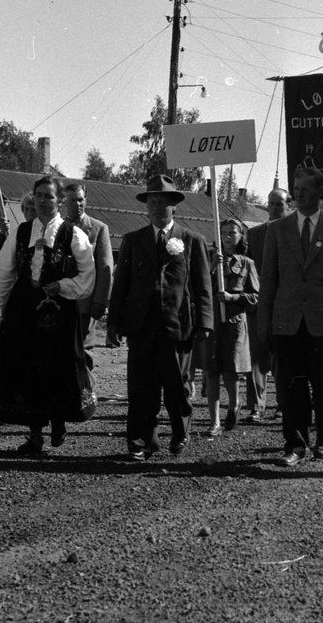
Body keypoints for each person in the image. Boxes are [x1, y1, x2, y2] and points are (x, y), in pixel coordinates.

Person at [0, 176, 97, 453]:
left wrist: (64, 286)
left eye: (49, 197)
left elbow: (88, 275)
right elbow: (3, 272)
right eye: (39, 196)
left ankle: (58, 421)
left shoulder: (73, 234)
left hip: (60, 313)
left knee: (58, 369)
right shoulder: (21, 233)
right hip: (25, 311)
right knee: (28, 370)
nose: (43, 201)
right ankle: (34, 435)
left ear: (60, 202)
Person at [256, 167, 323, 467]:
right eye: (296, 189)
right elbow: (269, 281)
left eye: (305, 189)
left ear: (319, 192)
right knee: (290, 386)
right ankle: (295, 445)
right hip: (286, 322)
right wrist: (264, 323)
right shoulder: (278, 230)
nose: (299, 194)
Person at [106, 175, 213, 461]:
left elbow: (203, 286)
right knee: (141, 387)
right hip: (141, 326)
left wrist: (205, 322)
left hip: (178, 326)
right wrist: (114, 322)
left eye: (162, 203)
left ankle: (180, 431)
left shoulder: (192, 240)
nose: (156, 208)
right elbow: (122, 285)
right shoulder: (132, 240)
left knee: (177, 385)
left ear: (173, 206)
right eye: (152, 202)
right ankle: (142, 442)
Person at [201, 219, 259, 435]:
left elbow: (255, 296)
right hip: (212, 322)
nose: (227, 237)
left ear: (240, 236)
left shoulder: (246, 264)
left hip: (234, 323)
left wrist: (233, 297)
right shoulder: (210, 259)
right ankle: (214, 421)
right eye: (223, 232)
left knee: (231, 369)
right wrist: (210, 268)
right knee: (212, 370)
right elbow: (199, 288)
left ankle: (234, 404)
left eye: (232, 233)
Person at [244, 188, 289, 422]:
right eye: (270, 203)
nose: (273, 208)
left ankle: (283, 403)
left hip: (285, 303)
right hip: (260, 303)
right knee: (257, 355)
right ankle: (256, 405)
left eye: (279, 204)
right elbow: (248, 267)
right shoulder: (255, 234)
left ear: (288, 206)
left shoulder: (294, 232)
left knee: (282, 356)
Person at [63, 181, 114, 363]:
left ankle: (86, 389)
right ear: (64, 202)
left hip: (85, 303)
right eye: (72, 200)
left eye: (80, 200)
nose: (77, 204)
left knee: (84, 351)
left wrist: (100, 301)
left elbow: (105, 267)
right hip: (60, 300)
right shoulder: (57, 227)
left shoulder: (98, 228)